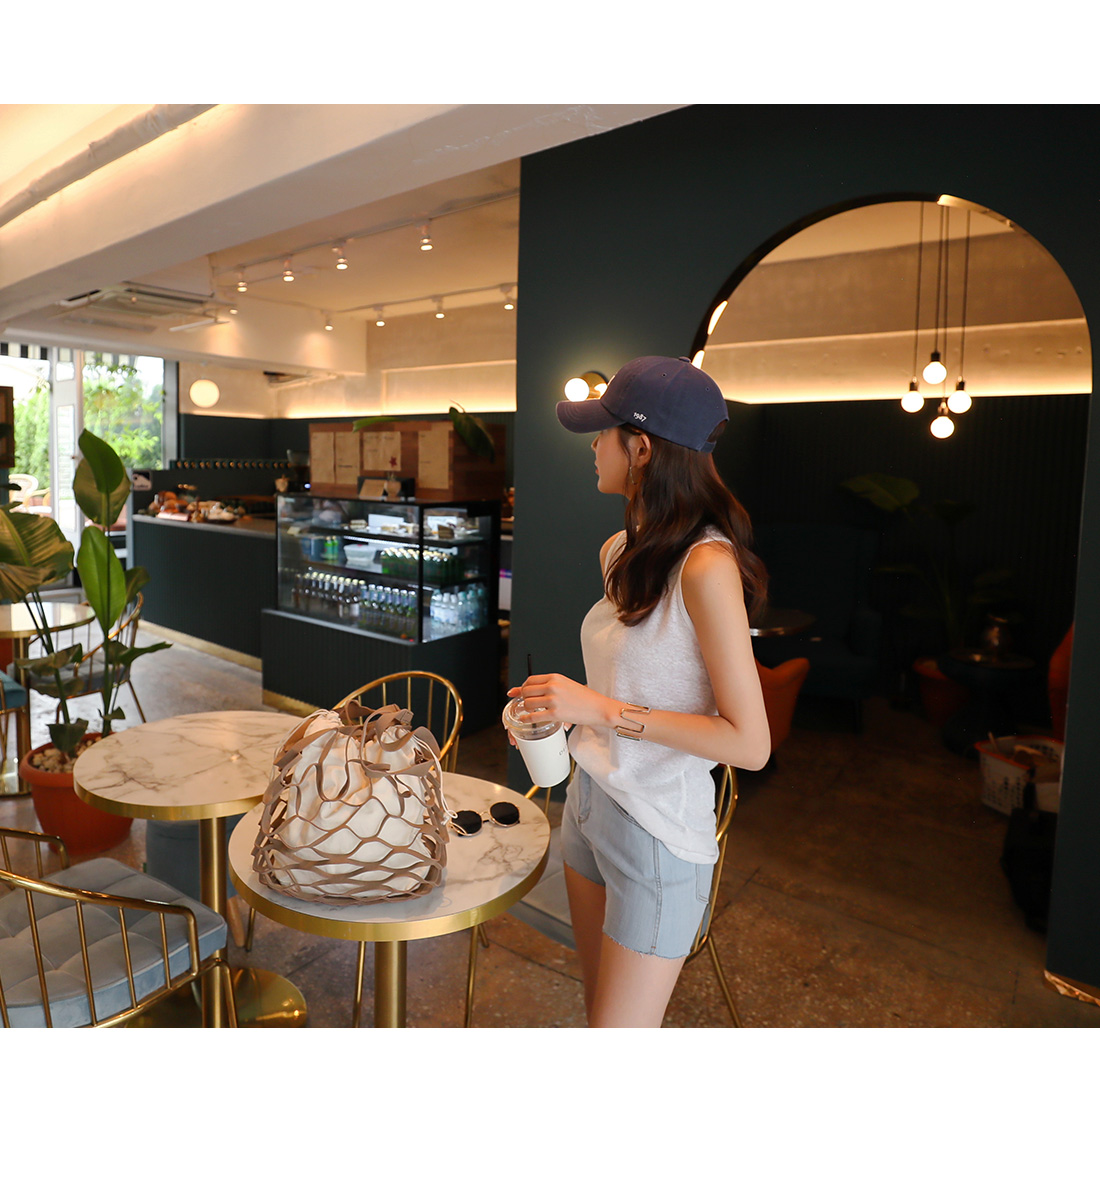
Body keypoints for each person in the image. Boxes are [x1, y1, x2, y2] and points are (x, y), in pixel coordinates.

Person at [509, 355, 772, 1028]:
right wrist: (557, 713)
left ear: (643, 448)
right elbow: (630, 676)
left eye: (604, 431)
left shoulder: (706, 566)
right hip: (588, 805)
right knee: (596, 1013)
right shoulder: (620, 550)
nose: (594, 445)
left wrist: (594, 708)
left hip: (655, 829)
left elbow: (750, 744)